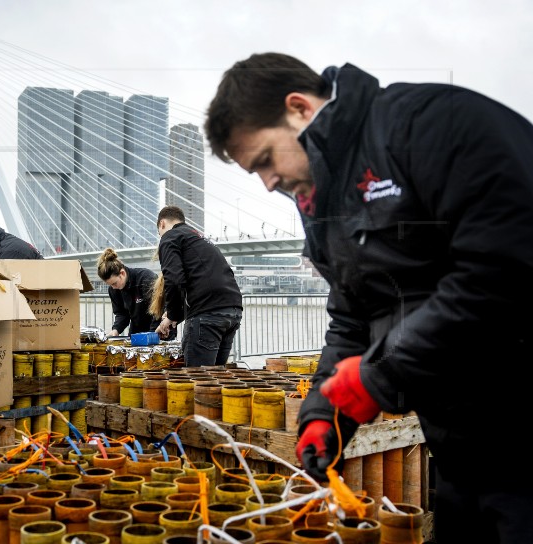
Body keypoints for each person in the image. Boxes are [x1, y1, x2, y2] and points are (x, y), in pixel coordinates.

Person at [204, 52, 533, 543]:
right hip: (461, 442)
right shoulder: (323, 202)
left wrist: (381, 375)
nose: (269, 183)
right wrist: (324, 413)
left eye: (266, 160)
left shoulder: (428, 124)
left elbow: (503, 268)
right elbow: (352, 316)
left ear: (299, 108)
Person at [154, 206, 242, 366]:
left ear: (162, 224)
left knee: (199, 382)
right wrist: (173, 318)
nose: (160, 236)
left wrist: (172, 315)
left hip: (208, 315)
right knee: (215, 379)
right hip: (232, 310)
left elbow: (174, 280)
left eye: (159, 232)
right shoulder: (198, 237)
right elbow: (202, 282)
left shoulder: (169, 237)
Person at [96, 247, 174, 339]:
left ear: (122, 273)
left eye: (114, 283)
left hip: (160, 330)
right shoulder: (113, 290)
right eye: (110, 285)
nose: (113, 287)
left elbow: (158, 309)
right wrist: (116, 330)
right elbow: (121, 314)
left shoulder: (146, 278)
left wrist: (152, 335)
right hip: (137, 332)